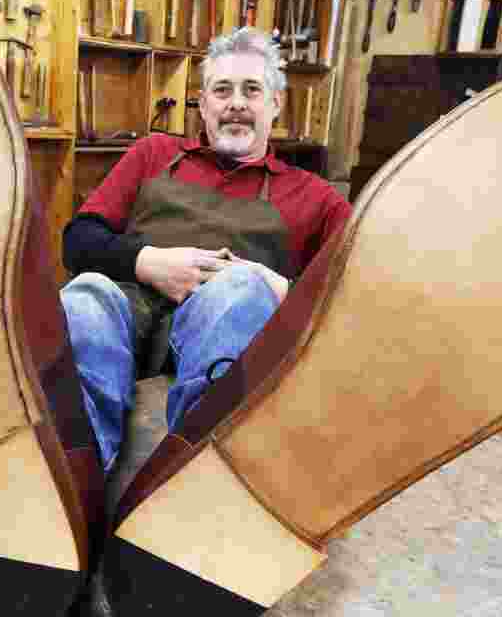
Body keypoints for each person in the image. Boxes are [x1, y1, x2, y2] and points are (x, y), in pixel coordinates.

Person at [59, 27, 352, 471]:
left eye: (252, 90)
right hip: (130, 306)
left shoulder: (313, 195)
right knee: (85, 296)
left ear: (275, 103)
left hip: (220, 321)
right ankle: (74, 480)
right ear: (203, 103)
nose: (236, 102)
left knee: (239, 288)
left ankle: (196, 479)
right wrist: (147, 261)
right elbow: (78, 242)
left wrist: (279, 286)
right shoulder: (153, 154)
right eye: (222, 90)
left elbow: (363, 285)